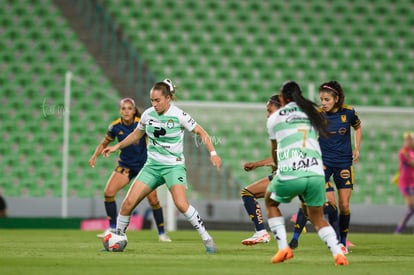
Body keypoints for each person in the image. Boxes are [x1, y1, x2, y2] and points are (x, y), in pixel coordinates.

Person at [102, 79, 222, 253]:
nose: (154, 104)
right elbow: (136, 135)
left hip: (173, 167)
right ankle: (117, 237)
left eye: (157, 100)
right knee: (127, 203)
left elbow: (201, 132)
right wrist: (116, 146)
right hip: (152, 166)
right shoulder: (147, 115)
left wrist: (213, 153)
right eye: (152, 100)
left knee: (181, 205)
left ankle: (207, 238)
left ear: (167, 98)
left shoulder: (179, 115)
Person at [265, 81, 348, 265]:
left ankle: (283, 248)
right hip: (316, 173)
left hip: (292, 172)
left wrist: (279, 167)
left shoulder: (275, 118)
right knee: (317, 217)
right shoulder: (311, 113)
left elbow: (275, 149)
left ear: (281, 98)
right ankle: (338, 254)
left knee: (270, 200)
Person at [289, 81, 362, 254]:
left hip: (344, 163)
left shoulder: (349, 112)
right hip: (323, 163)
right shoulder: (318, 114)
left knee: (344, 205)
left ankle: (342, 242)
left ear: (336, 99)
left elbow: (358, 128)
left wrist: (356, 148)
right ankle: (295, 238)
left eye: (327, 99)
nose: (323, 103)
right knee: (321, 200)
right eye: (321, 99)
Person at [89, 97, 171, 242]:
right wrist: (95, 155)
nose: (126, 111)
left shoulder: (142, 122)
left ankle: (162, 233)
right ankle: (112, 227)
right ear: (120, 111)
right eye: (123, 108)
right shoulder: (115, 127)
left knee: (153, 199)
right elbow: (104, 143)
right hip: (126, 166)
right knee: (108, 193)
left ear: (134, 110)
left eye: (129, 108)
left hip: (144, 167)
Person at [240, 95, 281, 245]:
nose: (267, 115)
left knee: (248, 193)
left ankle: (262, 232)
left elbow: (280, 156)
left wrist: (256, 164)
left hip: (287, 175)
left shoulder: (281, 129)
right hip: (301, 173)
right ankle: (339, 241)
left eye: (270, 111)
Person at [394, 131, 414, 233]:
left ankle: (399, 229)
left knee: (412, 208)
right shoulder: (404, 151)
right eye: (406, 139)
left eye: (410, 139)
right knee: (411, 207)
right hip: (405, 182)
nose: (408, 141)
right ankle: (399, 229)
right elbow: (411, 163)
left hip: (412, 182)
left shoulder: (411, 151)